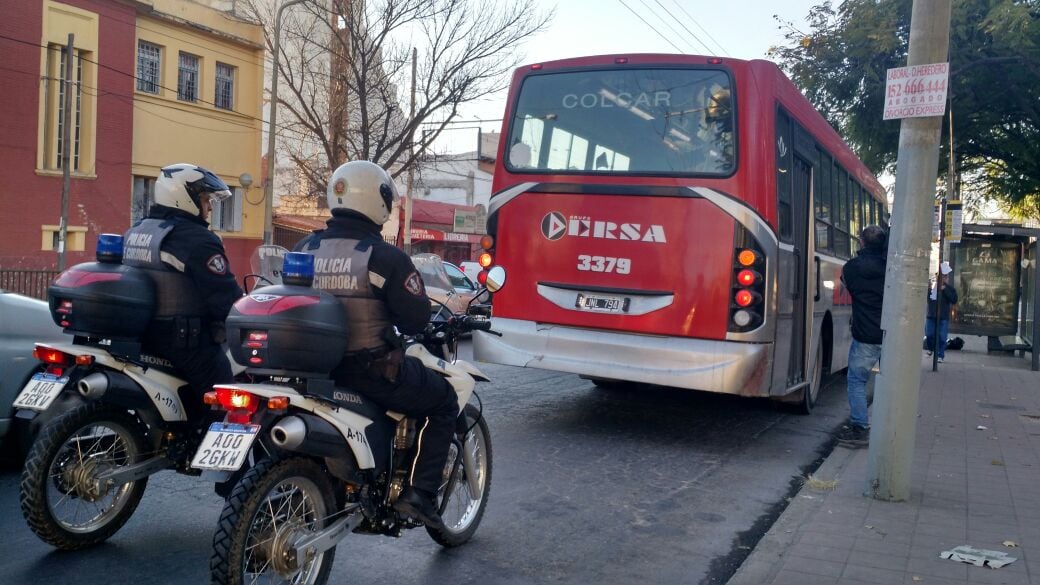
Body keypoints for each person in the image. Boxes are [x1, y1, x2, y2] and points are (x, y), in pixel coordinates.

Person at [295, 160, 458, 530]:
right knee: (443, 400)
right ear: (377, 200)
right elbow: (416, 321)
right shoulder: (383, 256)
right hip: (367, 372)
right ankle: (419, 496)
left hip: (312, 369)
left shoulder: (307, 246)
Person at [122, 163, 243, 421]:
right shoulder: (195, 239)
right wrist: (245, 317)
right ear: (184, 197)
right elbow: (223, 296)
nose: (209, 206)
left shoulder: (141, 229)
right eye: (204, 199)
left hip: (141, 334)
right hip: (184, 341)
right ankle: (216, 457)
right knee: (229, 404)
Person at [837, 225, 888, 448]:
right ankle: (888, 428)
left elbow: (846, 284)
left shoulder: (851, 268)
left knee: (857, 381)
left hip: (865, 334)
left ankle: (860, 429)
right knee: (889, 383)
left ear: (861, 242)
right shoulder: (892, 268)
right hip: (891, 334)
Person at [925, 261, 958, 362]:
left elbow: (954, 299)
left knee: (942, 337)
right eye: (941, 276)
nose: (943, 279)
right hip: (931, 315)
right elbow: (928, 299)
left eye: (945, 277)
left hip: (943, 316)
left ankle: (940, 354)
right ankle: (931, 348)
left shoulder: (950, 289)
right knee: (929, 334)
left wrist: (945, 290)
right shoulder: (932, 287)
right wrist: (929, 289)